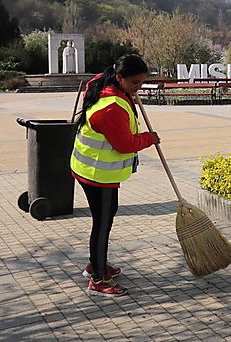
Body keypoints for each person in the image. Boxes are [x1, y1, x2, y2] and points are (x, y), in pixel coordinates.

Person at [70, 54, 160, 297]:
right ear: (119, 77)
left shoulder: (106, 83)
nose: (138, 88)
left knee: (106, 216)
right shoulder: (111, 107)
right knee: (102, 224)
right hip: (97, 174)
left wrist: (129, 90)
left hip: (92, 169)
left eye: (142, 83)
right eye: (135, 83)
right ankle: (98, 279)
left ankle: (96, 265)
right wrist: (149, 139)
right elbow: (124, 144)